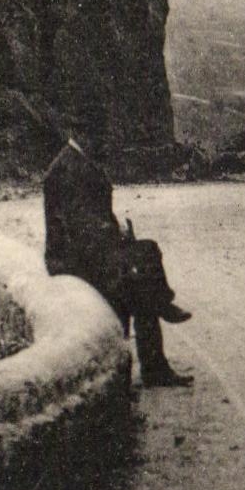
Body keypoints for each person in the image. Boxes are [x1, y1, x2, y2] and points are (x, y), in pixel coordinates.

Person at [43, 135, 194, 387]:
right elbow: (83, 229)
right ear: (82, 135)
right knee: (144, 265)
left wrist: (116, 232)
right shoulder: (69, 170)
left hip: (82, 253)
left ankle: (158, 344)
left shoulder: (74, 162)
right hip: (73, 262)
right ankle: (161, 325)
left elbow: (88, 224)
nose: (103, 142)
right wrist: (118, 234)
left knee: (144, 266)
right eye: (97, 135)